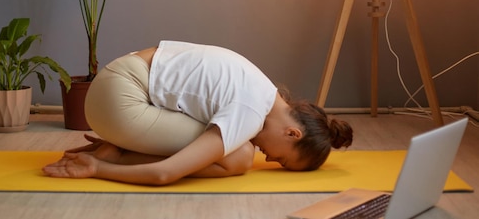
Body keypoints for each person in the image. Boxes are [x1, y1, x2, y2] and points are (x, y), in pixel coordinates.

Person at [43, 40, 353, 185]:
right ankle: (116, 153)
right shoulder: (251, 109)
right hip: (119, 99)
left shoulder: (260, 86)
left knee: (230, 147)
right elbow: (165, 174)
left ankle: (120, 144)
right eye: (281, 158)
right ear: (292, 133)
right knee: (239, 156)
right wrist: (98, 169)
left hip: (116, 85)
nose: (269, 159)